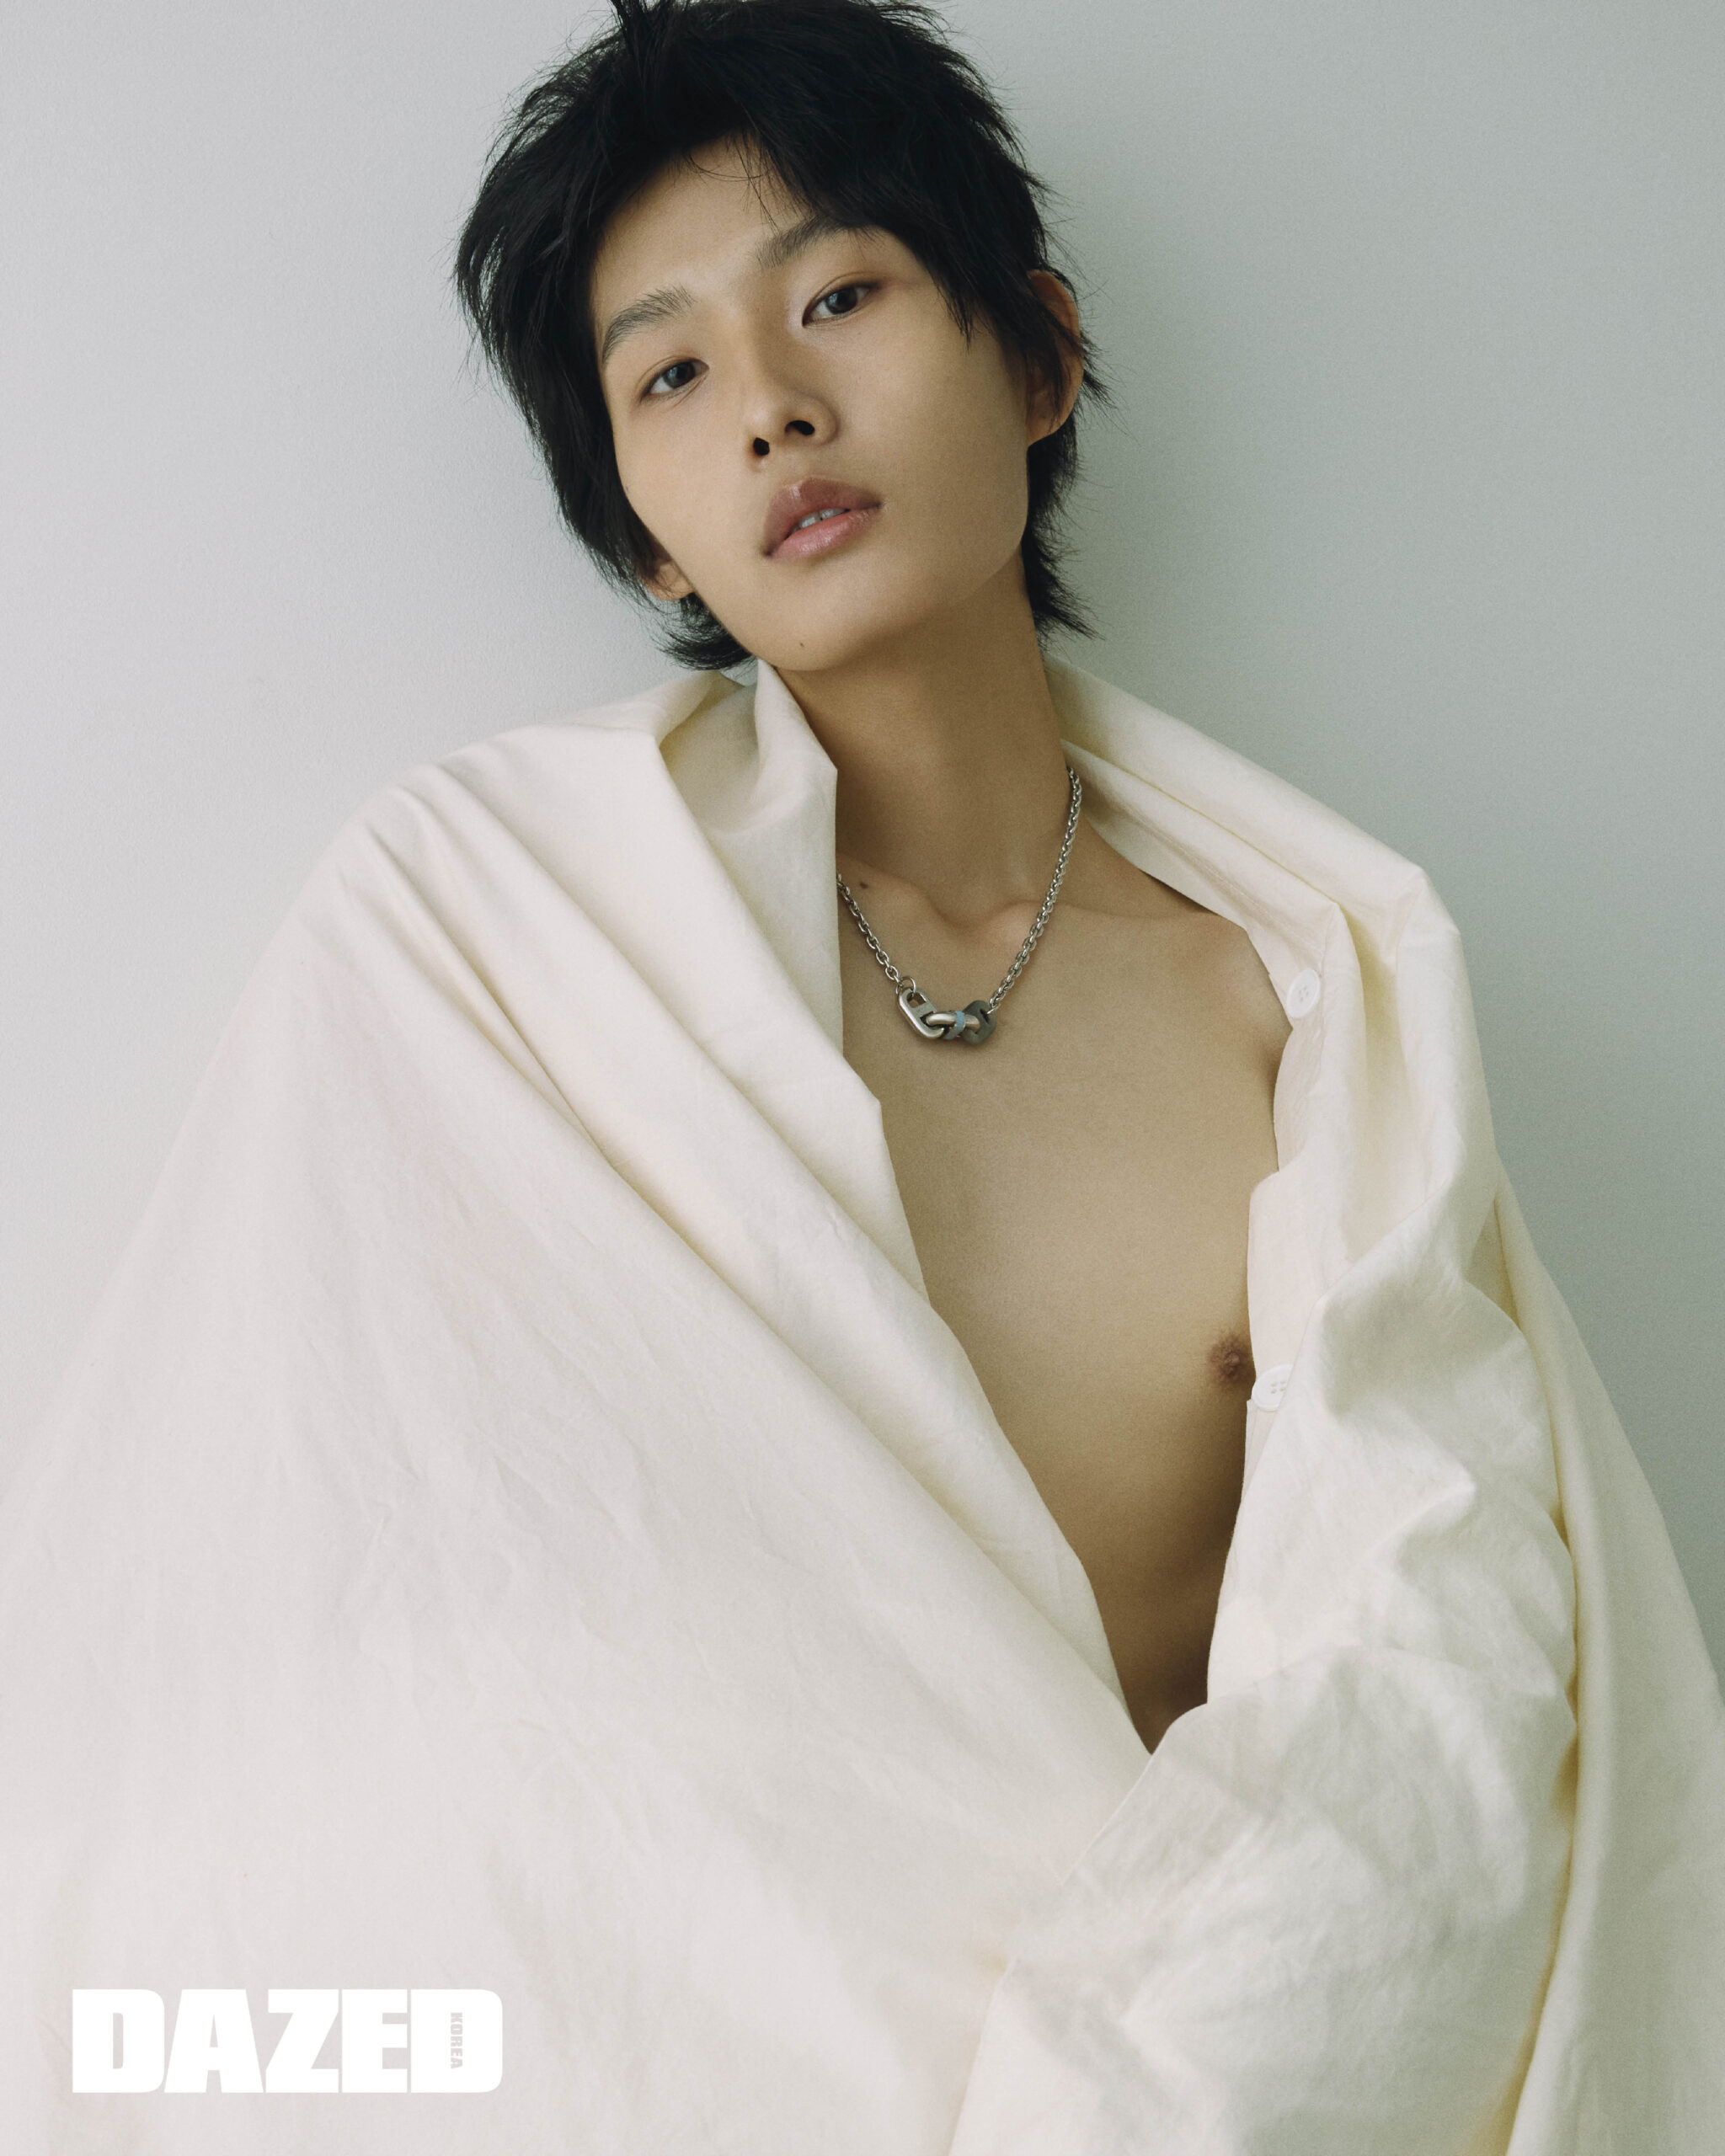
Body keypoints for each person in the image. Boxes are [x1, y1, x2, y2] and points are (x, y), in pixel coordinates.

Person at [3, 2, 1721, 2150]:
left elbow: (1429, 1690)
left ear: (1037, 356)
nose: (773, 407)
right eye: (668, 375)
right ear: (644, 534)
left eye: (838, 296)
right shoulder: (500, 947)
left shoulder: (1300, 1024)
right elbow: (321, 1656)